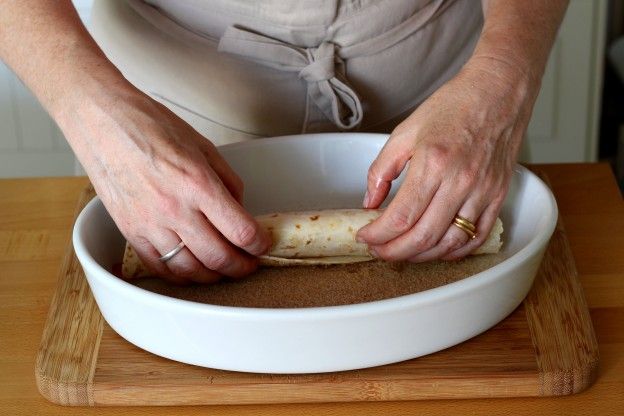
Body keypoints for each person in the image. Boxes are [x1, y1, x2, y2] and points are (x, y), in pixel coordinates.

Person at [0, 0, 568, 284]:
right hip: (164, 108)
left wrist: (502, 81)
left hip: (458, 97)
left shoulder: (487, 95)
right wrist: (94, 114)